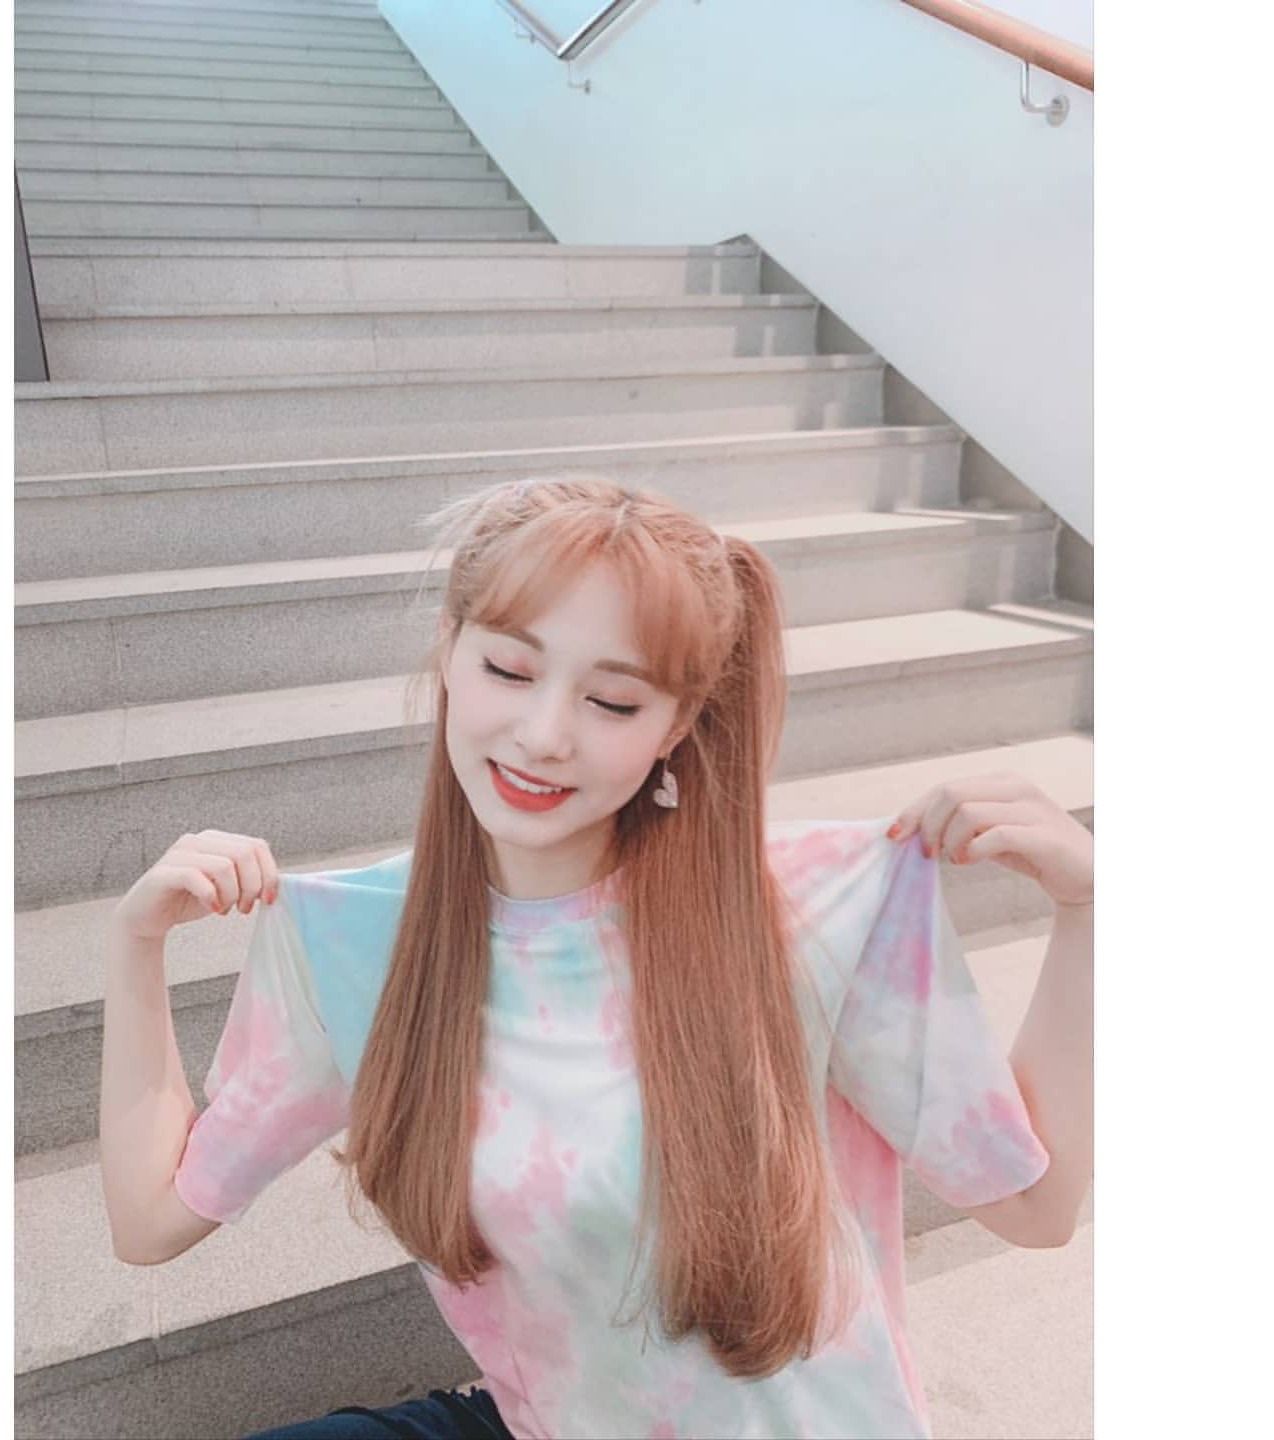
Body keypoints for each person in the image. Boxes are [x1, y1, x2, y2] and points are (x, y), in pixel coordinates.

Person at [98, 474, 1094, 1440]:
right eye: (509, 670)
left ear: (678, 724)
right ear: (450, 649)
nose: (543, 737)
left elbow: (1036, 1206)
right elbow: (150, 1221)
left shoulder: (811, 912)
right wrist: (136, 946)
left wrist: (1089, 909)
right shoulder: (352, 945)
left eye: (612, 702)